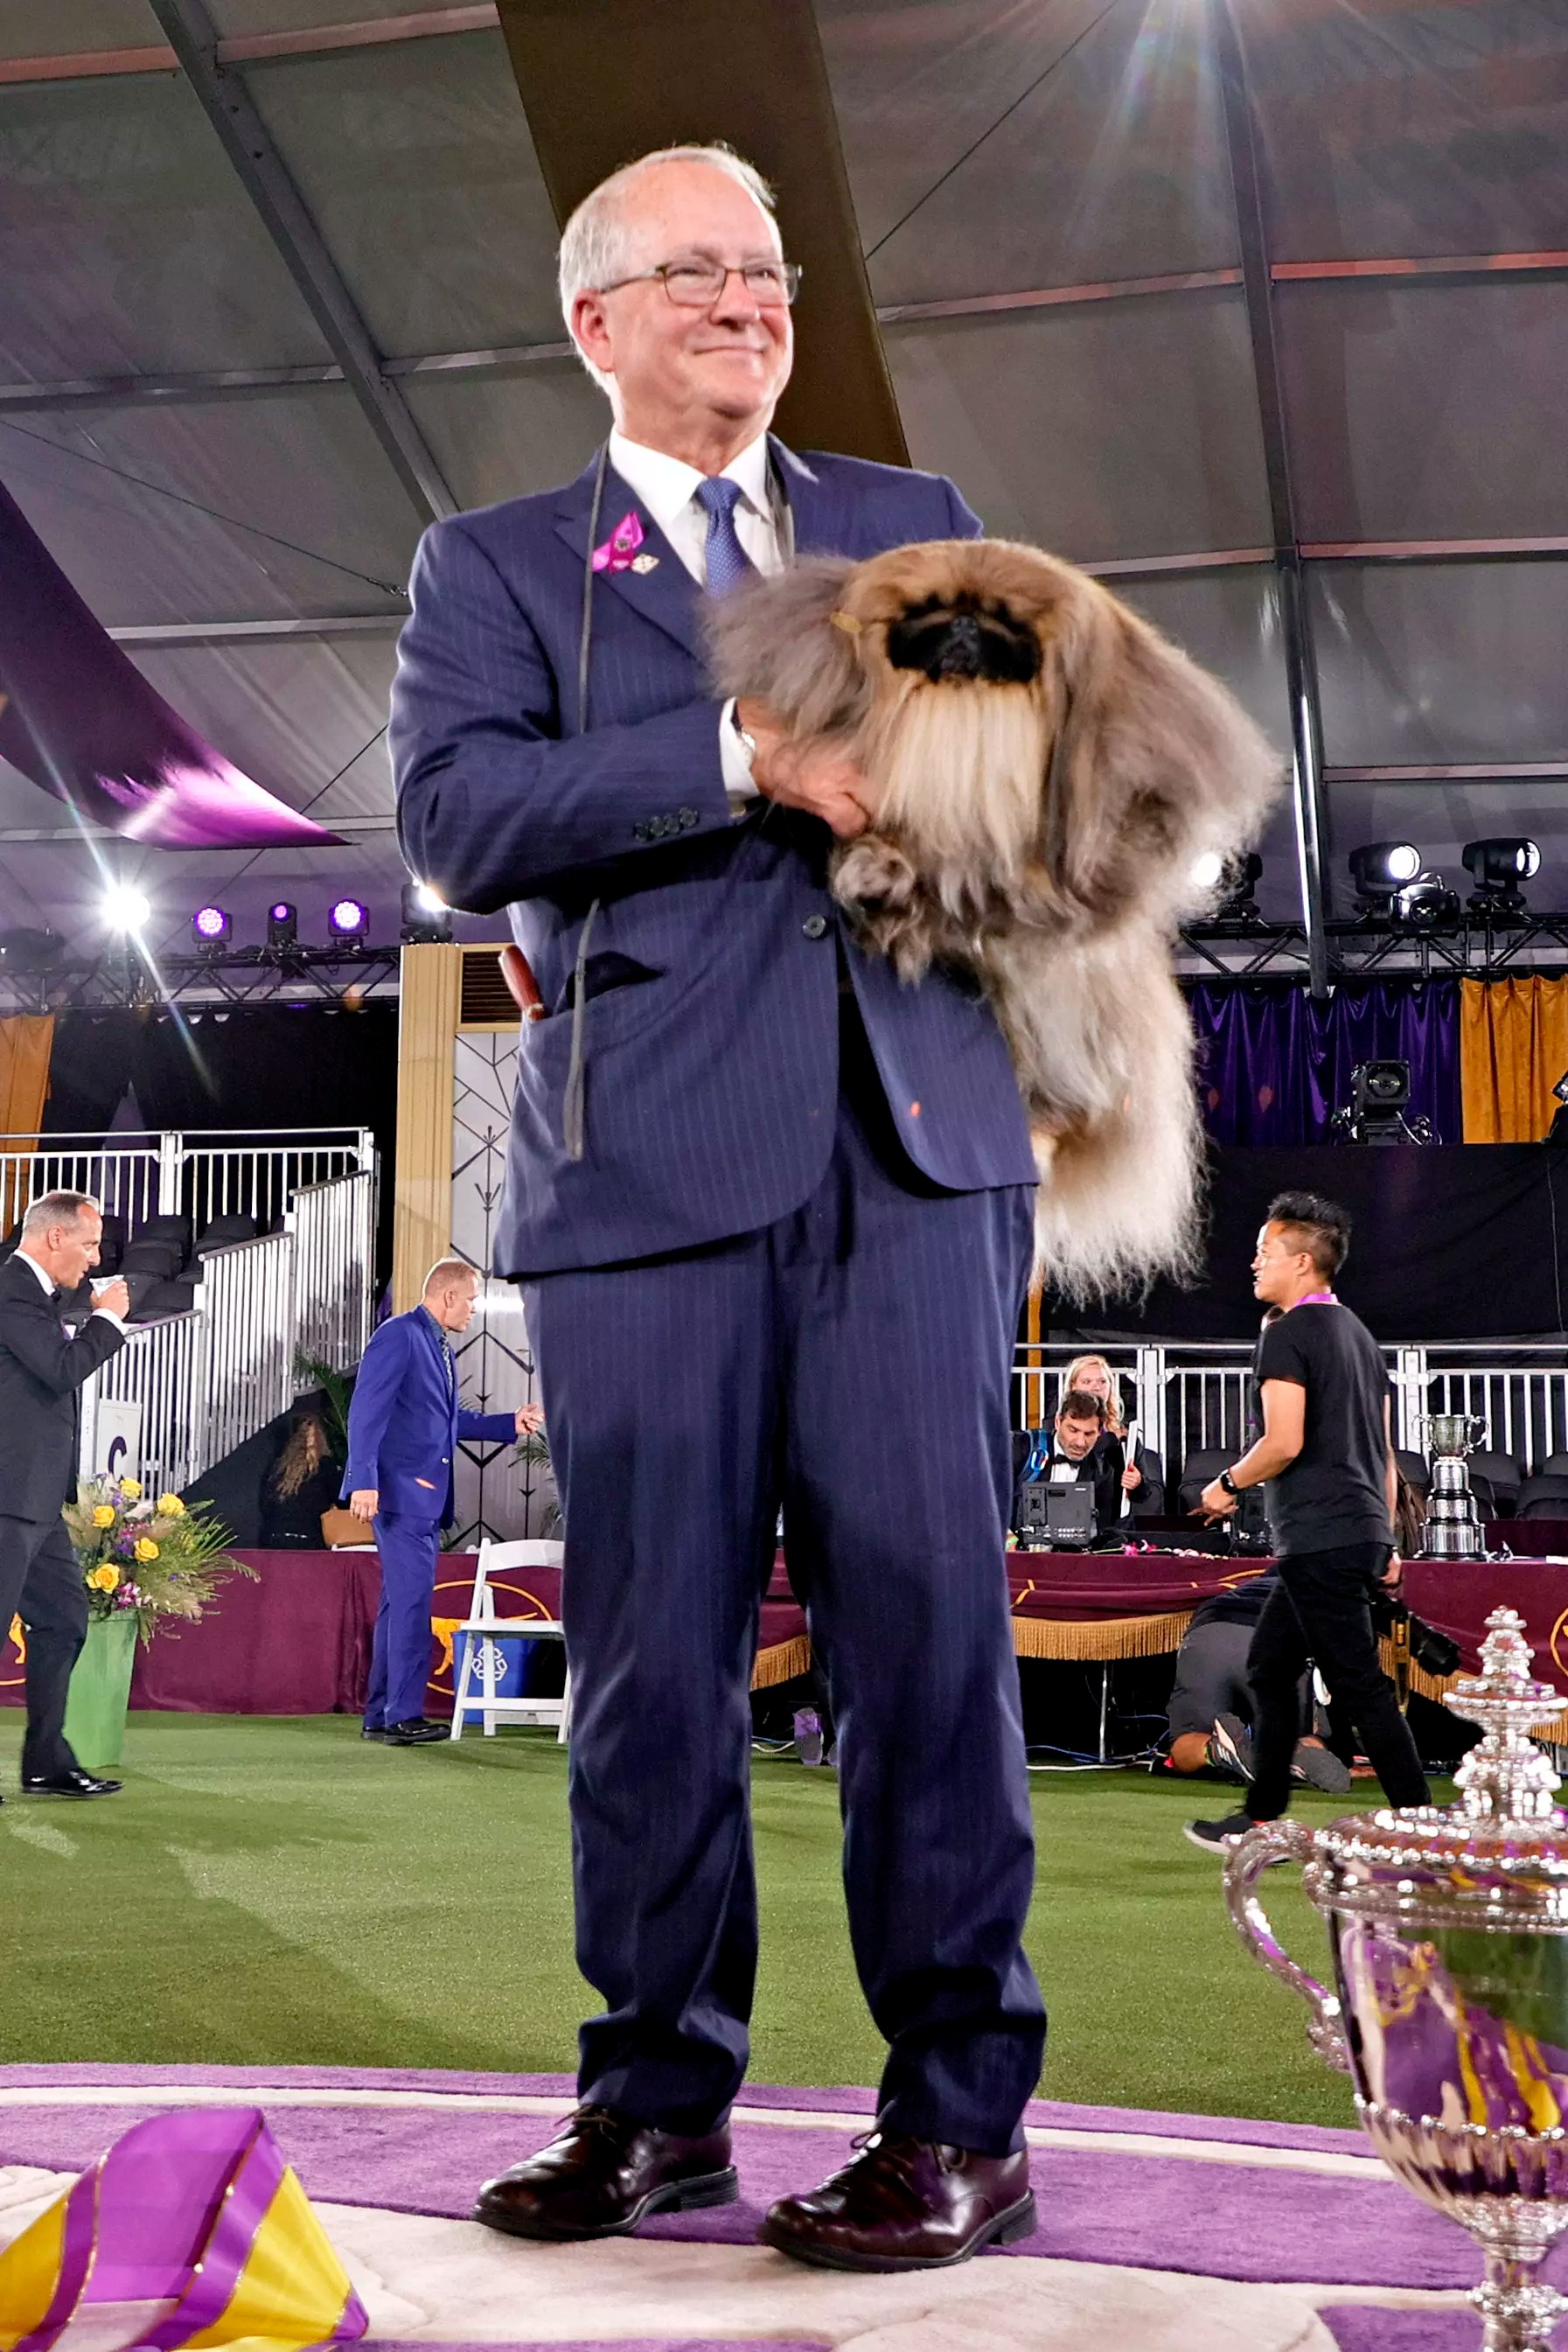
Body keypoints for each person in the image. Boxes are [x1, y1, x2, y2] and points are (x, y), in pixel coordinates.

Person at [393, 143, 1045, 2270]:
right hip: (648, 1177)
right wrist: (741, 761)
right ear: (595, 321)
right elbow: (458, 812)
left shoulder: (914, 519)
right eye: (698, 275)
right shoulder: (495, 566)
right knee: (653, 1672)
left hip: (913, 1157)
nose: (750, 304)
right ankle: (655, 2105)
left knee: (930, 1651)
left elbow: (1024, 775)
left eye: (766, 272)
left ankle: (961, 2122)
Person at [1184, 1190, 1430, 1850]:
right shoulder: (1357, 1333)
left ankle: (1420, 1824)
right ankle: (1262, 1813)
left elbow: (1283, 1441)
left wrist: (1224, 1483)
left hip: (1320, 1539)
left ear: (1300, 1261)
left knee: (1357, 1683)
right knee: (1268, 1666)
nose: (1253, 1263)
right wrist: (1384, 1537)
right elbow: (1382, 1450)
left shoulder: (1286, 1333)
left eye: (1264, 1252)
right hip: (1347, 1534)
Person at [343, 1258, 541, 1747]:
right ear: (448, 1296)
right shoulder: (401, 1335)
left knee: (399, 1605)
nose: (474, 1310)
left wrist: (507, 1422)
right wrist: (362, 1480)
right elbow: (366, 1409)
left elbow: (445, 1422)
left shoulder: (433, 1344)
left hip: (421, 1499)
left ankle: (381, 1713)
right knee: (410, 1606)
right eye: (471, 1300)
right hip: (405, 1496)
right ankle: (403, 1716)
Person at [0, 1191, 130, 1798]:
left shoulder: (35, 1296)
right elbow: (60, 1367)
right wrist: (107, 1320)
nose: (94, 1257)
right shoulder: (11, 1288)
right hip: (6, 1494)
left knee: (63, 1619)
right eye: (88, 1243)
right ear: (54, 1237)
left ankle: (46, 1761)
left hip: (36, 1497)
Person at [1163, 1567, 1350, 1794]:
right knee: (1306, 1736)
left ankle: (1215, 1750)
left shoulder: (1250, 1587)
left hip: (1209, 1635)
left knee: (1184, 1741)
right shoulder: (1334, 1586)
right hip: (1275, 1641)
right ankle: (1294, 1753)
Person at [1015, 1389, 1124, 1538]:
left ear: (1100, 1432)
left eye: (1089, 1434)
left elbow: (1102, 1532)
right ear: (1058, 1422)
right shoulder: (1022, 1448)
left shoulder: (1103, 1473)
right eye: (1073, 1430)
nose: (1080, 1442)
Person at [1063, 1353, 1154, 1514]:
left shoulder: (1126, 1437)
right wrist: (1110, 1439)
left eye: (1102, 1382)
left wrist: (1137, 1482)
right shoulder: (1055, 1427)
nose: (1096, 1387)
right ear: (1073, 1385)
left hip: (1112, 1525)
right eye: (1087, 1382)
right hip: (1069, 1518)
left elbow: (1144, 1493)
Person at [261, 1403, 343, 1547]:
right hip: (310, 1538)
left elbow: (265, 1503)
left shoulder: (279, 1467)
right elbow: (341, 1499)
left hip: (275, 1537)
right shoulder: (326, 1466)